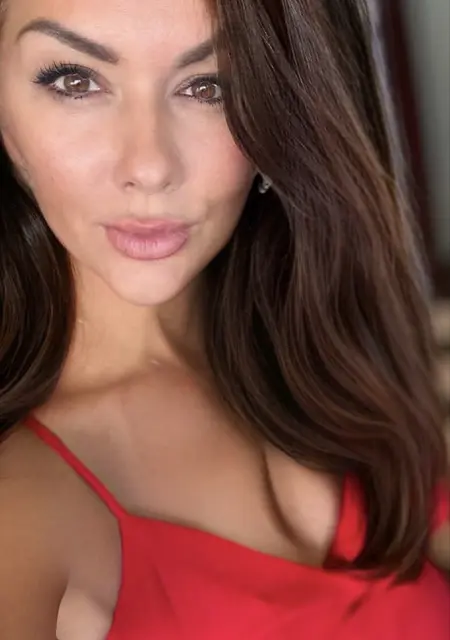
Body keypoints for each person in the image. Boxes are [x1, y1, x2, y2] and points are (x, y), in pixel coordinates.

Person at [0, 0, 448, 638]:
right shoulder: (22, 500)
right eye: (75, 81)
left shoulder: (338, 365)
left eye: (210, 86)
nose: (150, 166)